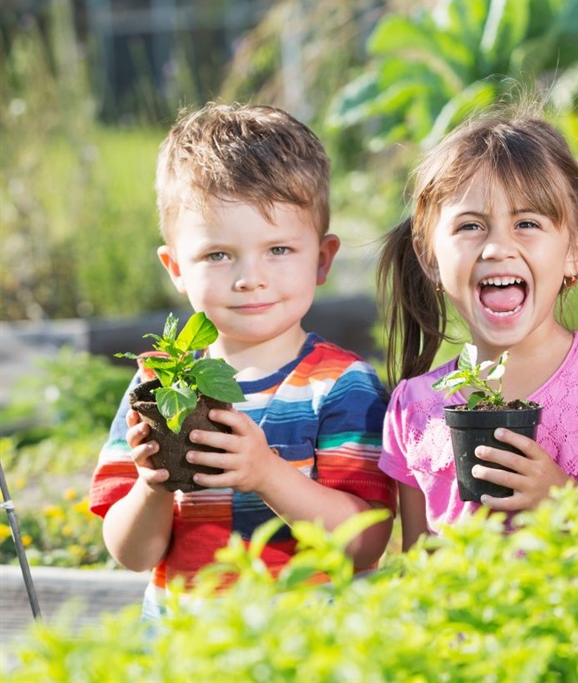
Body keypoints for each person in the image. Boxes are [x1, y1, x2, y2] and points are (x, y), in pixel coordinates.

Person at [90, 103, 398, 618]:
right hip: (187, 651)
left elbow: (364, 544)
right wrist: (152, 483)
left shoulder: (342, 385)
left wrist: (265, 474)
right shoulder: (162, 381)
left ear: (322, 259)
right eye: (218, 255)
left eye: (278, 250)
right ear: (176, 268)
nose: (249, 278)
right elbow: (131, 553)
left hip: (305, 651)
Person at [377, 114, 578, 550]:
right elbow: (418, 561)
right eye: (470, 226)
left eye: (527, 223)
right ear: (429, 256)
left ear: (575, 253)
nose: (497, 247)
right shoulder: (413, 408)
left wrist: (569, 501)